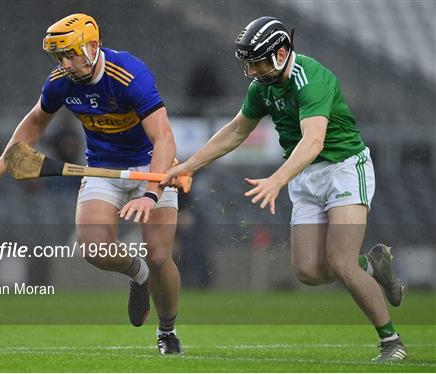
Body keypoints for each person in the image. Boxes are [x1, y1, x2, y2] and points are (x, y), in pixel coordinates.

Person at [162, 16, 406, 362]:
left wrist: (278, 179)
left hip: (344, 169)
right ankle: (374, 265)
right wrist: (187, 166)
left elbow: (314, 141)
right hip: (305, 175)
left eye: (257, 63)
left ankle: (391, 342)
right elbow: (235, 132)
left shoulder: (312, 79)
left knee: (340, 262)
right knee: (308, 271)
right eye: (248, 65)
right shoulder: (262, 87)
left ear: (281, 53)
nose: (252, 72)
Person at [0, 13, 182, 354]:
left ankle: (167, 332)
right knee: (94, 249)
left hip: (150, 166)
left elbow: (164, 138)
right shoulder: (60, 81)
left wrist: (152, 192)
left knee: (160, 255)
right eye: (59, 56)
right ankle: (138, 274)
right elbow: (35, 121)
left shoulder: (129, 74)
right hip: (101, 168)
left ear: (93, 46)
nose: (65, 64)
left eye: (71, 54)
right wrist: (0, 165)